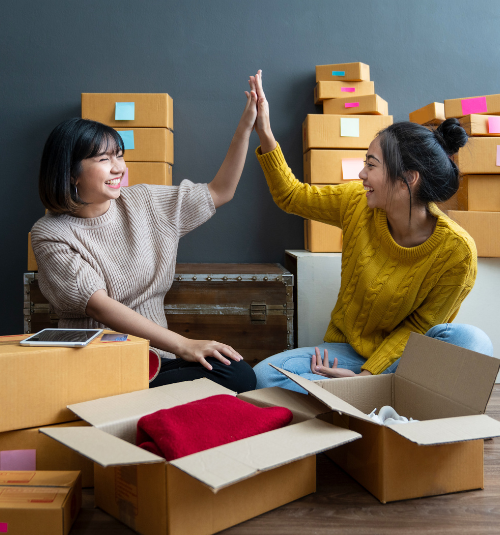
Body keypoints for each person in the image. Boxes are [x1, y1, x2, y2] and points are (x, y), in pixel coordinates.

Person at [249, 70, 493, 393]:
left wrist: (367, 378)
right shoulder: (355, 202)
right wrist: (264, 130)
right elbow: (291, 195)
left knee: (475, 343)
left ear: (408, 178)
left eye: (372, 164)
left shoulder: (457, 252)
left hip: (405, 357)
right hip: (347, 355)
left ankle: (363, 396)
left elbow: (420, 329)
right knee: (265, 376)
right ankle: (375, 400)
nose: (362, 173)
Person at [31, 82, 259, 392]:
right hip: (94, 363)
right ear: (71, 173)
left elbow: (220, 191)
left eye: (120, 156)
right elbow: (99, 306)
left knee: (237, 373)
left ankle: (137, 409)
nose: (118, 168)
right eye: (103, 159)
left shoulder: (143, 202)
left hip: (155, 359)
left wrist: (245, 128)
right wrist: (184, 345)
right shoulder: (50, 233)